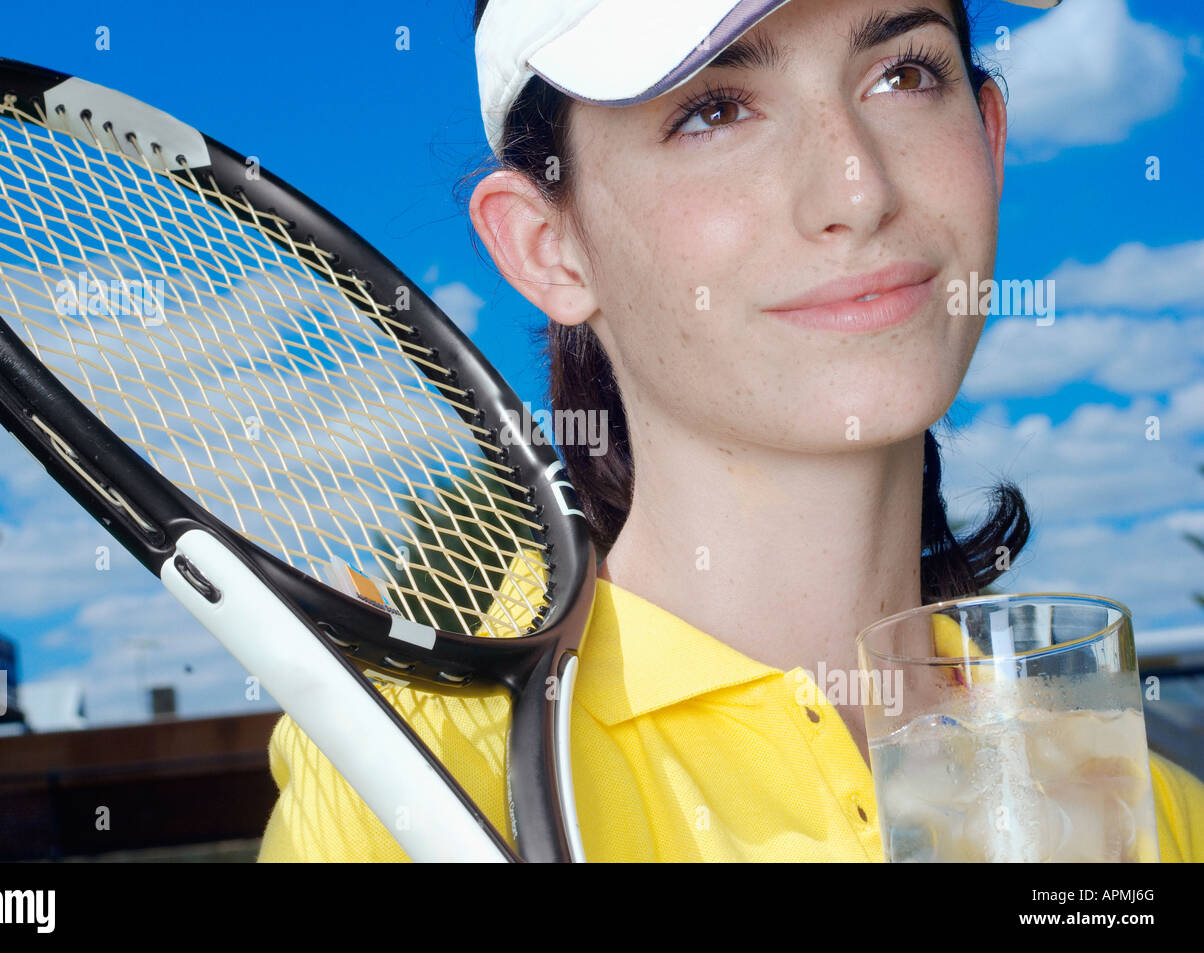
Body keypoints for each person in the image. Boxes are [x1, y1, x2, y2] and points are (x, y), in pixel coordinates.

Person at [259, 0, 1204, 862]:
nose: (857, 188)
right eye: (714, 110)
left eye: (904, 75)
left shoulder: (1136, 808)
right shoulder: (406, 777)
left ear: (990, 141)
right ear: (549, 247)